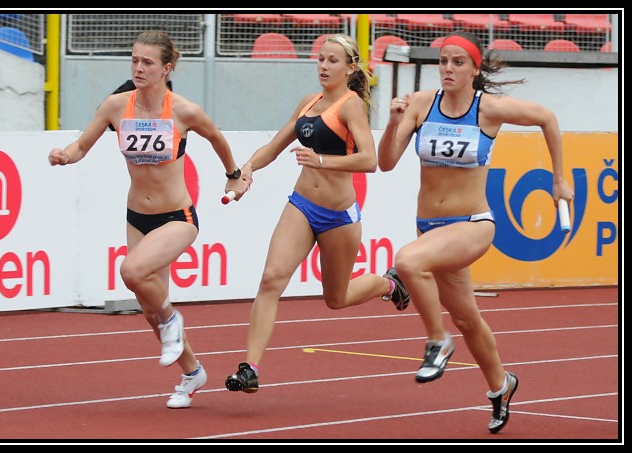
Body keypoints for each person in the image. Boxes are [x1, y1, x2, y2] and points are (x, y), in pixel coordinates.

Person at [376, 30, 574, 433]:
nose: (448, 69)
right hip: (431, 228)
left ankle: (437, 342)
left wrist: (559, 179)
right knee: (467, 319)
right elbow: (386, 162)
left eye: (458, 62)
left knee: (408, 261)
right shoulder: (420, 104)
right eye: (443, 61)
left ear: (474, 69)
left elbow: (547, 118)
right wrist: (393, 122)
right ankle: (501, 385)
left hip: (472, 225)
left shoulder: (488, 109)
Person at [48, 31, 248, 409]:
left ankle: (173, 321)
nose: (138, 68)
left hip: (177, 217)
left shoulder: (184, 111)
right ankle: (192, 373)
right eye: (134, 60)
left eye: (148, 62)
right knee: (148, 310)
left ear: (166, 68)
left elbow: (217, 138)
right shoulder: (115, 106)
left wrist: (233, 174)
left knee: (132, 271)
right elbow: (82, 145)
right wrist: (65, 155)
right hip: (137, 217)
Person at [224, 34, 410, 394]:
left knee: (335, 299)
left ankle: (389, 284)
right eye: (321, 59)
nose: (324, 66)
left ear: (350, 68)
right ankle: (250, 369)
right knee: (271, 279)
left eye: (333, 61)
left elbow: (369, 160)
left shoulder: (351, 106)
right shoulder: (309, 102)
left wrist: (322, 160)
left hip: (338, 216)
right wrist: (246, 169)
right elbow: (274, 146)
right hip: (302, 205)